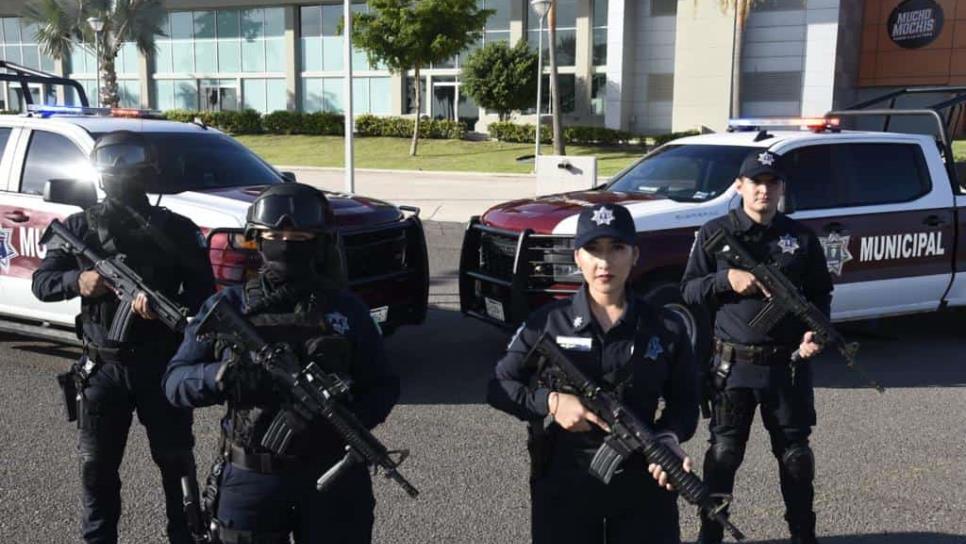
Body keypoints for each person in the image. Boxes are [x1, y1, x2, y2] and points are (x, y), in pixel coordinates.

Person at [163, 183, 400, 544]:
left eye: (301, 235)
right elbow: (175, 382)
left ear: (319, 243)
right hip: (252, 476)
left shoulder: (346, 309)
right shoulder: (229, 307)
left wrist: (343, 419)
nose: (287, 243)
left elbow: (383, 384)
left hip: (332, 475)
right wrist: (221, 377)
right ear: (257, 239)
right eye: (276, 234)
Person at [32, 130, 215, 544]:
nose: (119, 172)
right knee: (97, 472)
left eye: (127, 162)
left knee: (177, 467)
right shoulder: (78, 227)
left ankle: (185, 537)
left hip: (162, 366)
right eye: (111, 162)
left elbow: (203, 295)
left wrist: (164, 305)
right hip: (103, 368)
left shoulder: (178, 229)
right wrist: (81, 280)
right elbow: (43, 283)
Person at [488, 203, 699, 544]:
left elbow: (687, 403)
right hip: (565, 483)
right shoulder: (547, 323)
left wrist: (670, 437)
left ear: (635, 255)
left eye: (617, 248)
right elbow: (499, 386)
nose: (605, 262)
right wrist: (551, 402)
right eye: (593, 249)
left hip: (643, 481)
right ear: (577, 258)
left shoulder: (666, 327)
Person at [681, 150, 833, 544]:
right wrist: (725, 280)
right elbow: (688, 290)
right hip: (733, 367)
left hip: (788, 367)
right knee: (724, 455)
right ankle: (710, 535)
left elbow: (820, 294)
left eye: (772, 183)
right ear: (739, 186)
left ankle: (804, 534)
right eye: (755, 182)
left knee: (797, 458)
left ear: (782, 188)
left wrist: (814, 334)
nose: (764, 190)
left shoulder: (800, 239)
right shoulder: (716, 233)